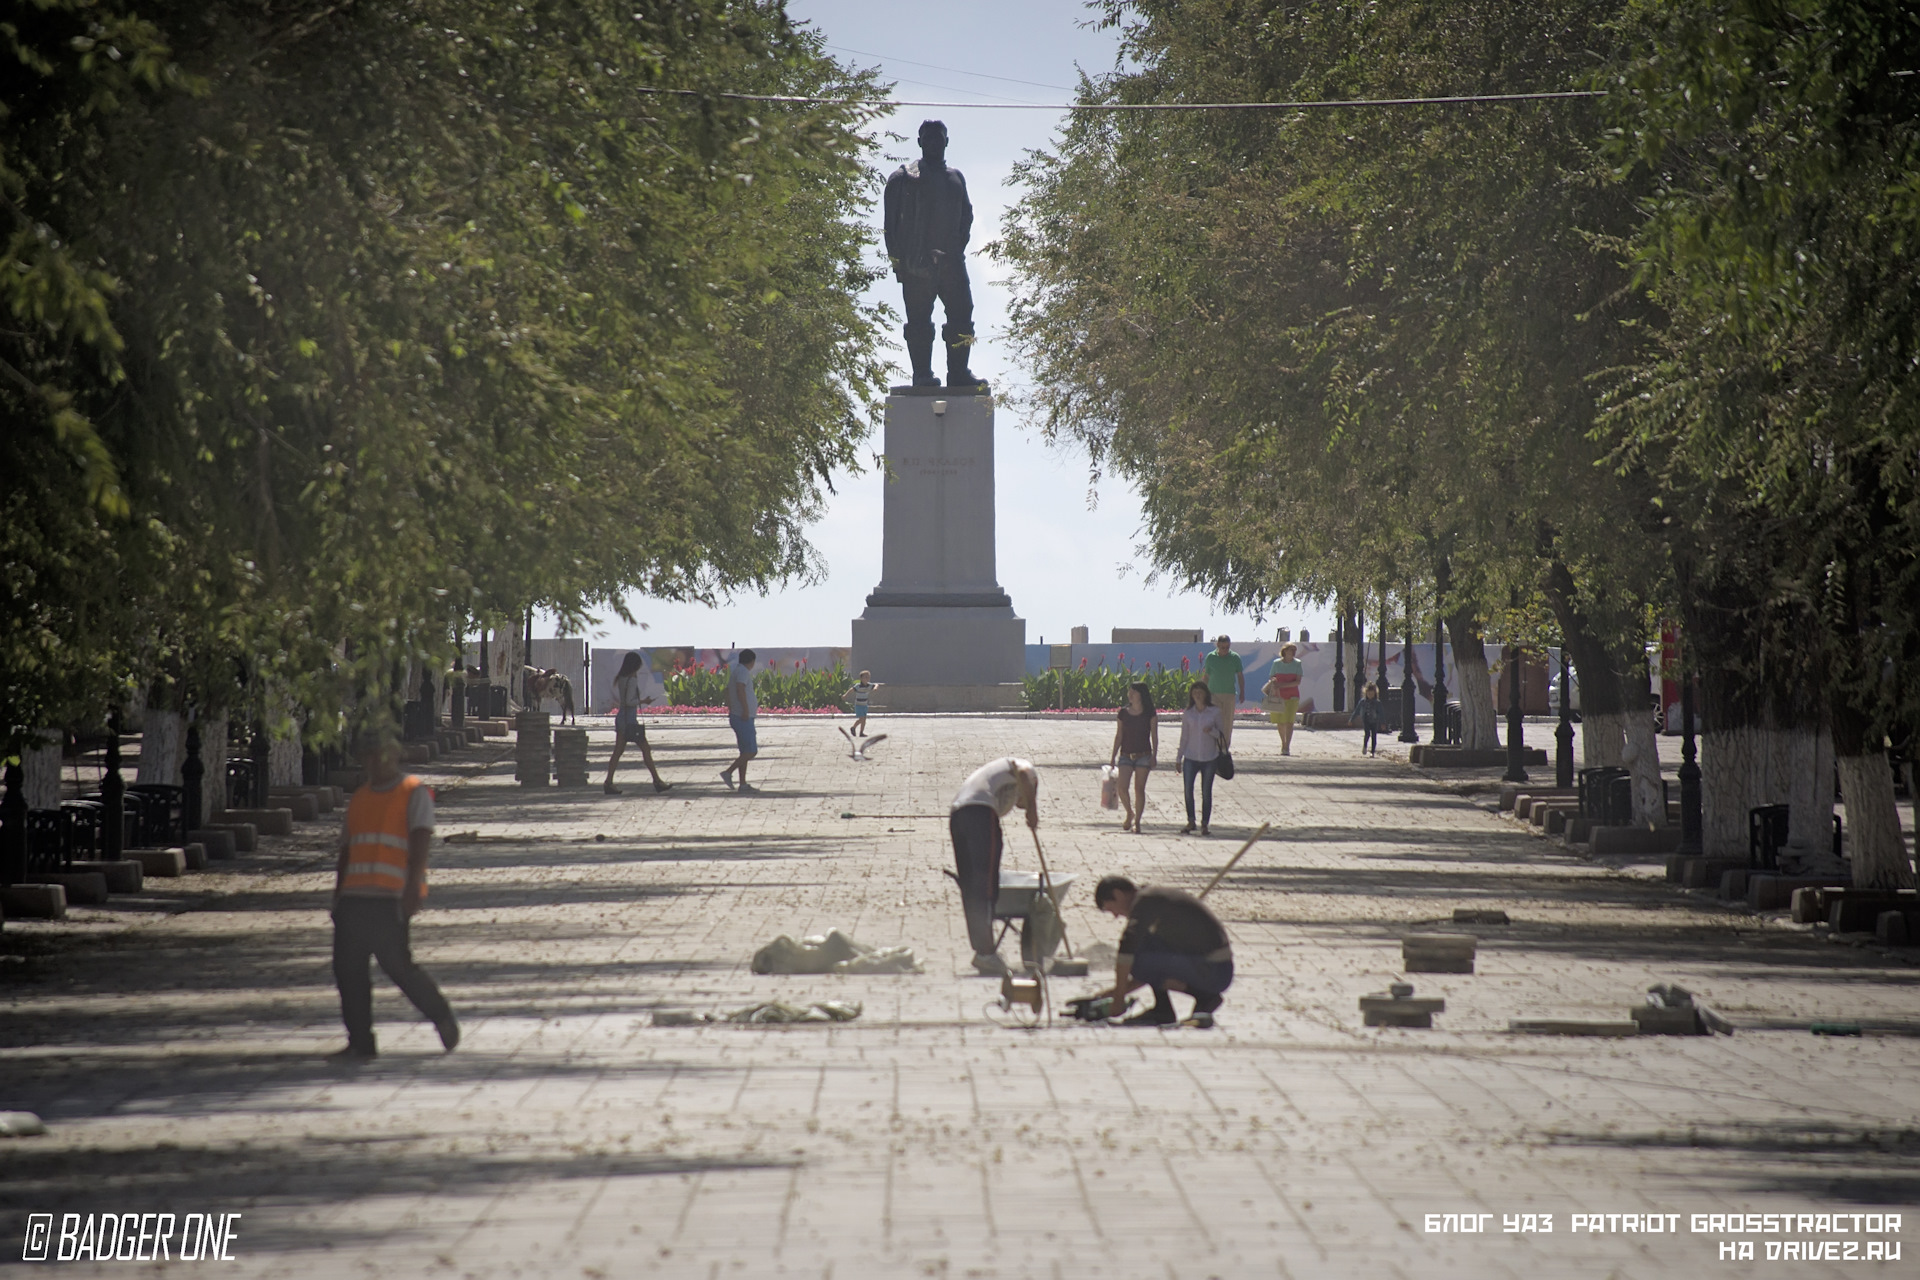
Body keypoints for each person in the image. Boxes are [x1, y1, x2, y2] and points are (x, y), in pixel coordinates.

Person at [330, 734, 459, 1061]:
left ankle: (441, 1015)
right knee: (349, 971)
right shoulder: (360, 797)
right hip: (354, 899)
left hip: (389, 898)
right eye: (369, 757)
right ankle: (360, 1042)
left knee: (398, 967)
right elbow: (346, 851)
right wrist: (337, 896)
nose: (375, 763)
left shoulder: (412, 793)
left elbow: (420, 843)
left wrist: (413, 889)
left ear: (396, 756)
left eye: (381, 756)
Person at [883, 120, 983, 388]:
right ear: (919, 142)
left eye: (938, 139)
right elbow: (890, 228)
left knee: (962, 313)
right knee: (918, 320)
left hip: (951, 263)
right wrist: (899, 265)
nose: (933, 144)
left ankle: (959, 373)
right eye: (927, 139)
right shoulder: (904, 177)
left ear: (946, 142)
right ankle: (922, 375)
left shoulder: (955, 177)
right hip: (917, 265)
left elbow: (967, 216)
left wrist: (955, 249)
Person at [1079, 876, 1234, 1028]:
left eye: (1111, 908)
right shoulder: (1150, 897)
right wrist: (1109, 995)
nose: (1115, 915)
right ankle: (1191, 1001)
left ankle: (1172, 1007)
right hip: (1217, 969)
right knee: (1144, 952)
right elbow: (1150, 974)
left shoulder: (1144, 903)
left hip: (1214, 970)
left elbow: (1127, 952)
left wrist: (1118, 1001)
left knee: (1138, 958)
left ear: (1118, 894)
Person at [948, 756, 1039, 976]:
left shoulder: (995, 774)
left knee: (971, 887)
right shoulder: (1023, 767)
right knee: (986, 885)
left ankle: (983, 951)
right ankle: (986, 953)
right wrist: (1033, 810)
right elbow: (1026, 775)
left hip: (957, 815)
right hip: (979, 815)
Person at [604, 651, 670, 795]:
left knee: (618, 752)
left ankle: (609, 782)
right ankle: (657, 781)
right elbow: (629, 702)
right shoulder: (631, 680)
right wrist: (643, 701)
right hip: (629, 720)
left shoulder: (621, 678)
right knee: (645, 749)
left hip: (622, 718)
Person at [1108, 681, 1158, 833]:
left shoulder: (1150, 713)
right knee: (1122, 787)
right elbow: (1119, 735)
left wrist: (1155, 755)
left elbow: (1154, 735)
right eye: (1129, 692)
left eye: (1133, 692)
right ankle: (1129, 812)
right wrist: (1113, 757)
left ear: (1141, 695)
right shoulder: (1123, 713)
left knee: (1139, 789)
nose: (1130, 695)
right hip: (1126, 755)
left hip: (1144, 755)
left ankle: (1137, 821)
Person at [1177, 681, 1225, 836]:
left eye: (1200, 691)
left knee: (1206, 791)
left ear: (1206, 694)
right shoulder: (1188, 713)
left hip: (1209, 757)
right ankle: (1191, 821)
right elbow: (1184, 737)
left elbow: (1221, 734)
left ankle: (1205, 823)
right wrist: (1179, 757)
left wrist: (1211, 731)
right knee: (1188, 790)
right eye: (1194, 692)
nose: (1197, 694)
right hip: (1190, 756)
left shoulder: (1214, 712)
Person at [720, 649, 758, 791]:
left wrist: (731, 707)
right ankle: (728, 772)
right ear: (752, 661)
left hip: (739, 715)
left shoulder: (737, 670)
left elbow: (727, 691)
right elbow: (740, 689)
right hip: (743, 717)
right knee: (751, 751)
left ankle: (742, 783)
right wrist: (745, 709)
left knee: (744, 752)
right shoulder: (742, 672)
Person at [1201, 635, 1244, 747]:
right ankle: (1213, 745)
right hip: (1213, 694)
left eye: (1227, 647)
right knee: (1214, 720)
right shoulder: (1210, 657)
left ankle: (1224, 746)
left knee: (1227, 722)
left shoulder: (1235, 658)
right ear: (1218, 645)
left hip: (1229, 694)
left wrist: (1242, 691)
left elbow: (1240, 676)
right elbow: (1206, 676)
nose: (1225, 650)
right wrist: (1202, 691)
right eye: (1223, 647)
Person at [1263, 642, 1304, 756]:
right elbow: (1272, 676)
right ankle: (1283, 743)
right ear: (1284, 651)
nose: (1292, 653)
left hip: (1292, 696)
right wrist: (1275, 682)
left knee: (1289, 722)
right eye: (1290, 650)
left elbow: (1297, 681)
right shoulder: (1276, 663)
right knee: (1280, 722)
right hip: (1278, 696)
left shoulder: (1297, 664)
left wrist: (1282, 685)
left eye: (1294, 651)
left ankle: (1287, 746)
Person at [1352, 681, 1383, 756]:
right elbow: (1357, 710)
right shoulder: (1363, 702)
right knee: (1367, 734)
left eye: (1372, 694)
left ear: (1375, 694)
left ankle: (1372, 751)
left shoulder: (1377, 703)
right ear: (1366, 693)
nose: (1370, 695)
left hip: (1375, 721)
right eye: (1369, 694)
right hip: (1366, 720)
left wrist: (1383, 723)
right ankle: (1365, 746)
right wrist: (1351, 719)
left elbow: (1381, 713)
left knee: (1374, 736)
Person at [846, 670, 880, 737]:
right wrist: (845, 695)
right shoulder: (858, 686)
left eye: (868, 677)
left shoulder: (869, 685)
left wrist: (875, 688)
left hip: (865, 705)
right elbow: (851, 690)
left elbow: (876, 684)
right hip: (858, 705)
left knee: (864, 720)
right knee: (861, 719)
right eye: (866, 677)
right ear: (861, 678)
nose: (867, 679)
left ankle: (861, 732)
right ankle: (853, 727)